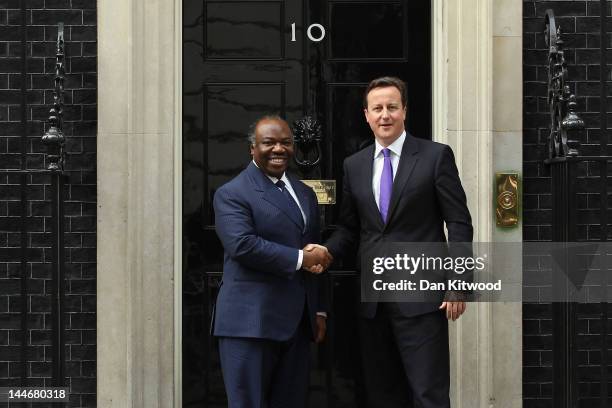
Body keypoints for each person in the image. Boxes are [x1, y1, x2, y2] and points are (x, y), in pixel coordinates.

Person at [313, 77, 473, 408]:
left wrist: (458, 282)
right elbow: (349, 226)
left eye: (392, 107)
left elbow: (458, 222)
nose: (385, 115)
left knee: (428, 394)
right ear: (366, 115)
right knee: (382, 395)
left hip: (422, 300)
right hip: (372, 302)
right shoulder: (354, 165)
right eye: (377, 108)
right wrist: (327, 251)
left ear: (404, 112)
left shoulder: (435, 156)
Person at [212, 115, 332, 408]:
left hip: (296, 324)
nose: (279, 149)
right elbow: (243, 245)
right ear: (252, 148)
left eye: (286, 142)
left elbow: (313, 247)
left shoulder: (303, 192)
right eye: (269, 142)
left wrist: (318, 309)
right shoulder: (232, 193)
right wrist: (302, 258)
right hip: (250, 324)